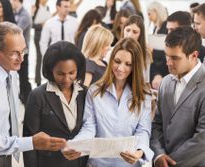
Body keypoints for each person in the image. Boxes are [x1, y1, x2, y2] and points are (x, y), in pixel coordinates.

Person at [0, 22, 66, 167]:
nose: (21, 58)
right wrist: (30, 142)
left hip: (4, 156)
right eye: (14, 53)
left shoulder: (12, 75)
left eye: (23, 51)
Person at [63, 38, 153, 166]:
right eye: (117, 61)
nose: (121, 68)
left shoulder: (144, 95)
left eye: (128, 64)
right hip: (99, 164)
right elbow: (89, 126)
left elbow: (143, 130)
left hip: (128, 164)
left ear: (135, 66)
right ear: (111, 60)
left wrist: (139, 152)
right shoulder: (95, 91)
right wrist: (76, 145)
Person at [23, 41, 87, 167]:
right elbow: (29, 142)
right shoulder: (37, 96)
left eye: (71, 73)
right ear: (50, 70)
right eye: (60, 74)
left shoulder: (85, 93)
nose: (66, 79)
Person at [151, 26, 205, 167]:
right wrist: (158, 155)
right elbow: (157, 124)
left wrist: (169, 163)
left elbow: (202, 140)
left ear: (194, 55)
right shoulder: (165, 82)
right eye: (166, 56)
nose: (168, 63)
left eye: (174, 58)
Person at [10, 0, 32, 105]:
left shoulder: (25, 15)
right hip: (14, 52)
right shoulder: (15, 14)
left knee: (23, 79)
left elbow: (16, 32)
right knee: (17, 78)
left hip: (23, 53)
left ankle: (28, 102)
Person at [122, 15, 152, 83]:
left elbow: (146, 81)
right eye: (127, 30)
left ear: (140, 35)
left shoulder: (146, 54)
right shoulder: (113, 51)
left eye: (135, 32)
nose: (130, 35)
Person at [31, 0, 51, 86]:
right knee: (39, 58)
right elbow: (31, 24)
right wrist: (41, 25)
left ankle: (49, 79)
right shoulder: (35, 8)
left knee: (49, 57)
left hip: (47, 35)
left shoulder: (47, 8)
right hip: (38, 36)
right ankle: (37, 81)